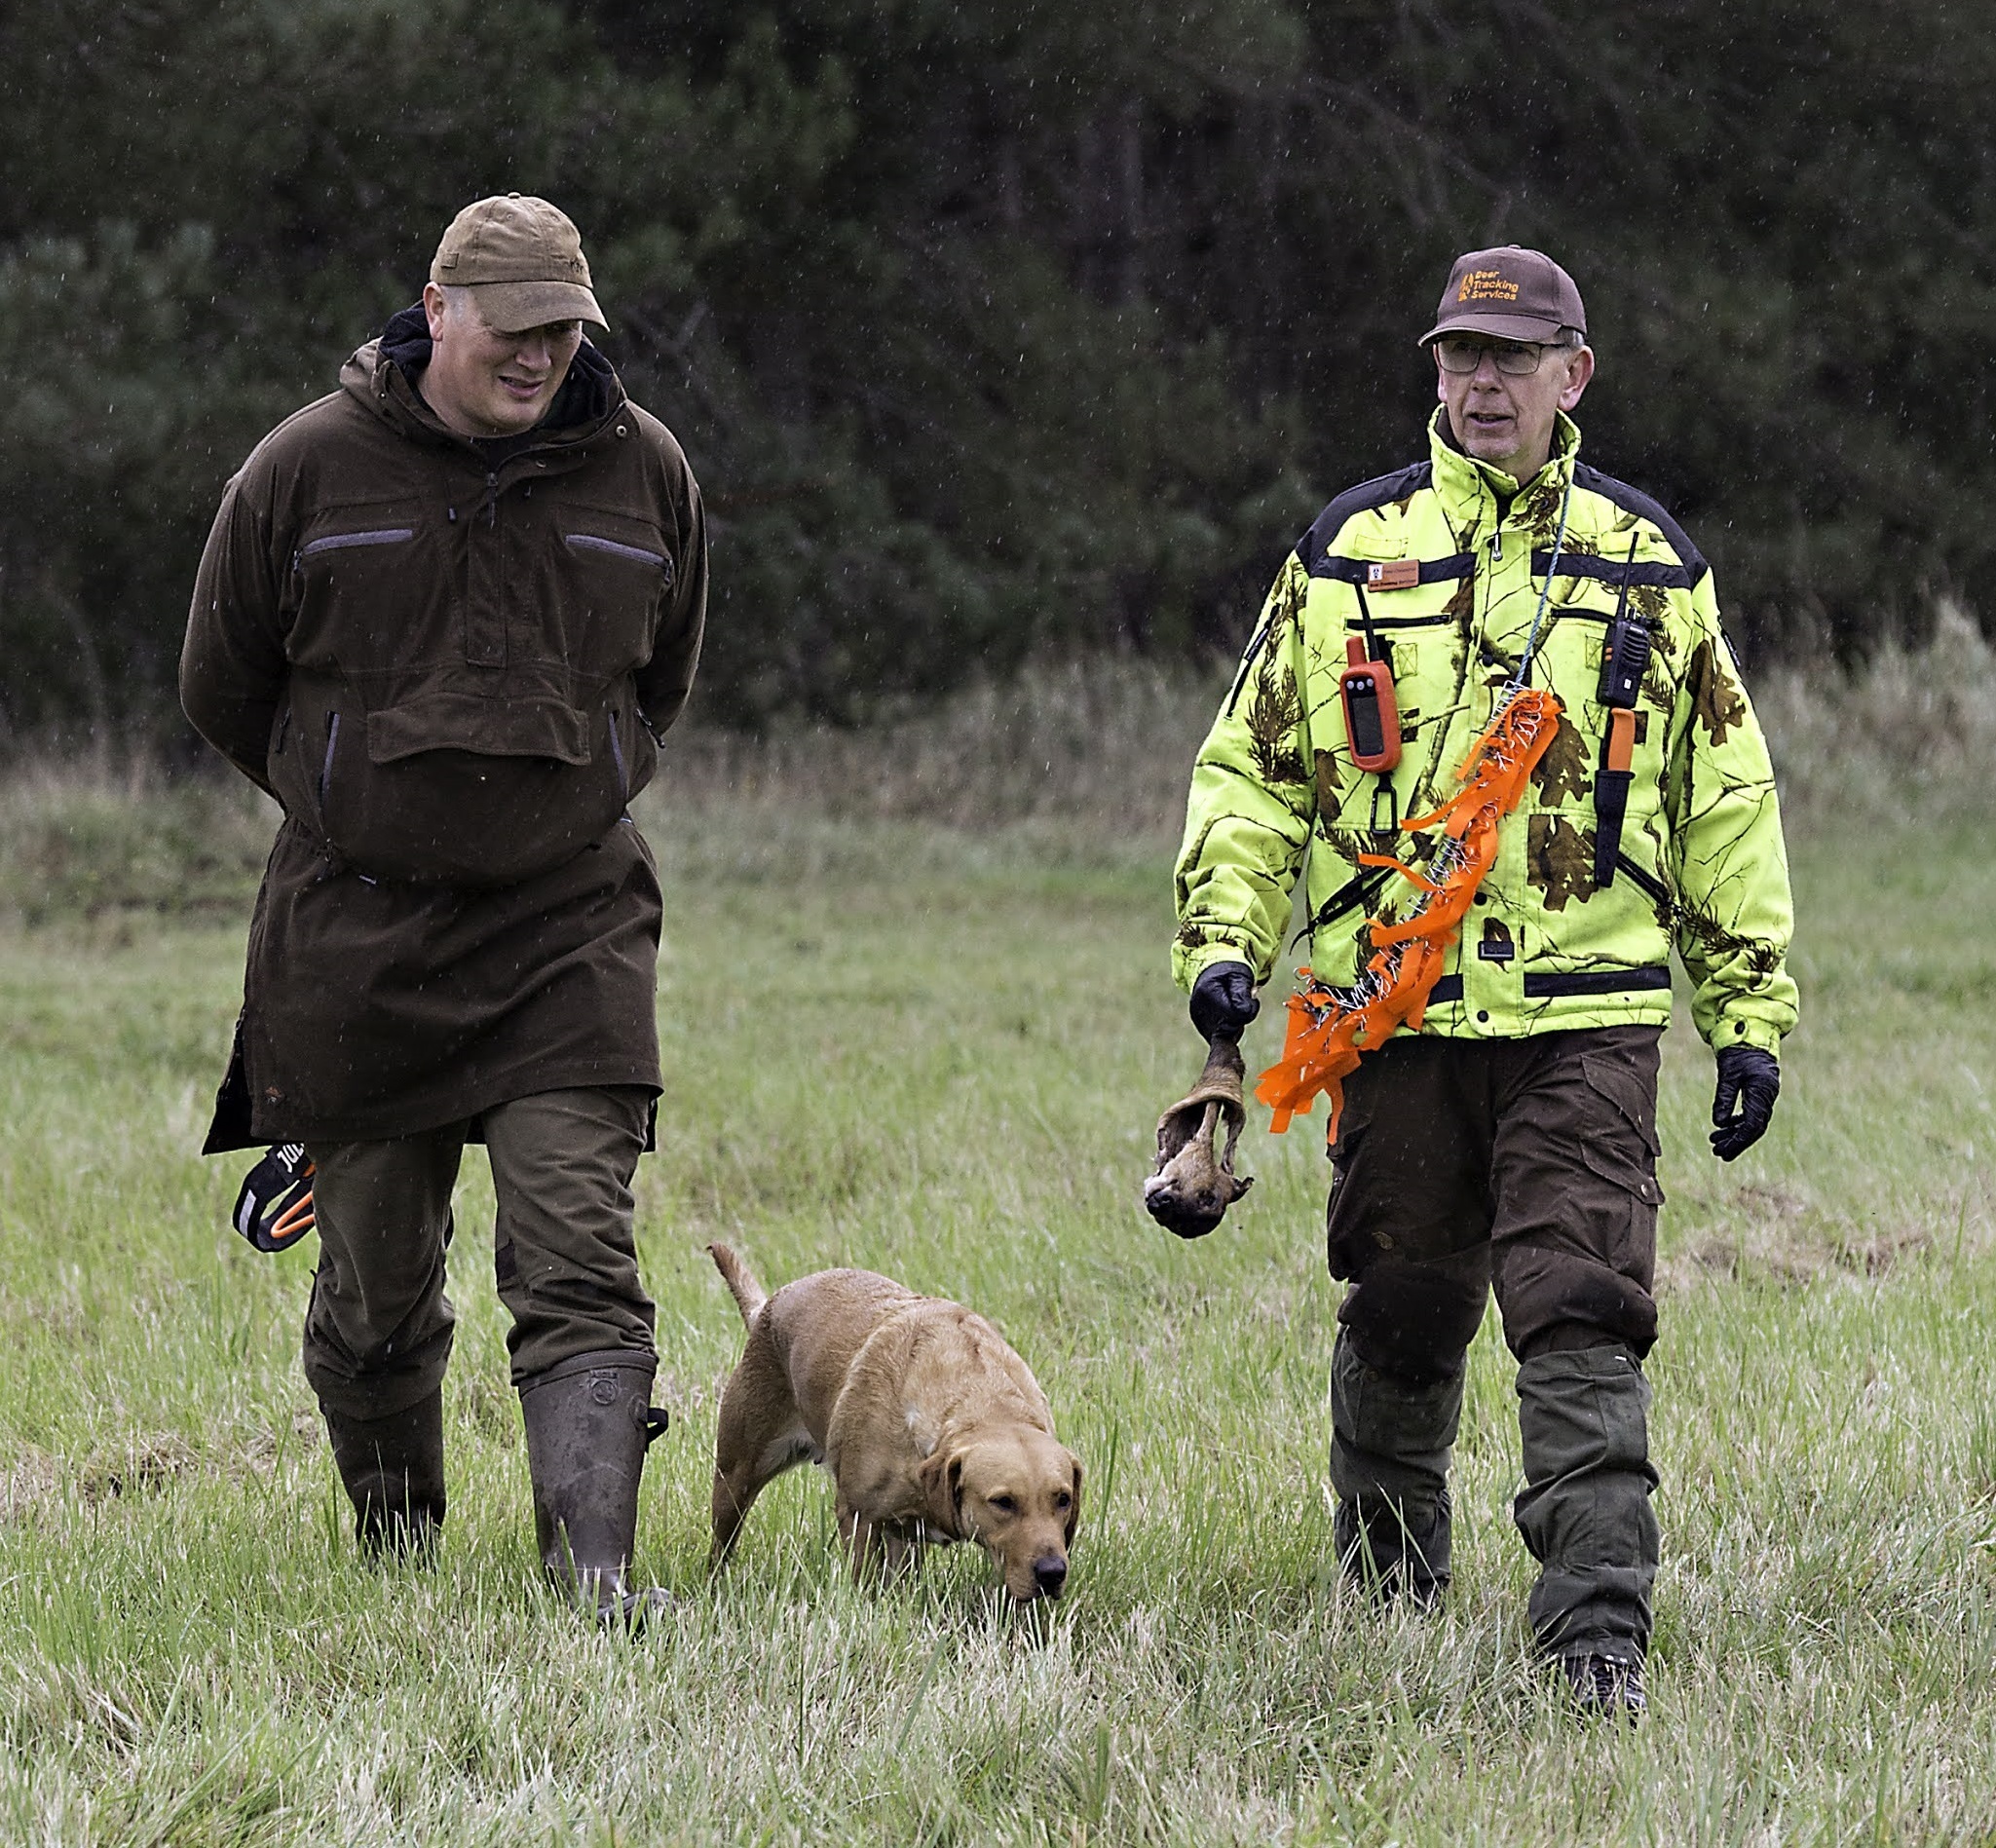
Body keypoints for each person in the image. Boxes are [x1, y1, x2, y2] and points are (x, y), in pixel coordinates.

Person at [1171, 245, 1796, 1716]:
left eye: (1510, 361)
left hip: (1584, 1013)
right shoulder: (1341, 552)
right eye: (1457, 357)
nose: (1479, 383)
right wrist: (1224, 946)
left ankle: (1594, 1642)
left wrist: (1747, 1013)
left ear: (1571, 376)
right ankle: (1386, 1597)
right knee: (1397, 1304)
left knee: (1580, 1309)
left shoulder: (1650, 562)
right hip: (1389, 1013)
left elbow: (1724, 799)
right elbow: (1252, 776)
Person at [180, 194, 707, 1624]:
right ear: (439, 306)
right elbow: (220, 684)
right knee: (375, 1292)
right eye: (516, 323)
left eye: (564, 326)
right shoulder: (303, 468)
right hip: (355, 940)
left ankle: (593, 1573)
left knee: (579, 1251)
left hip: (570, 930)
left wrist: (562, 788)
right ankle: (399, 1547)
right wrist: (358, 797)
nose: (540, 352)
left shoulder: (642, 469)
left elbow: (660, 683)